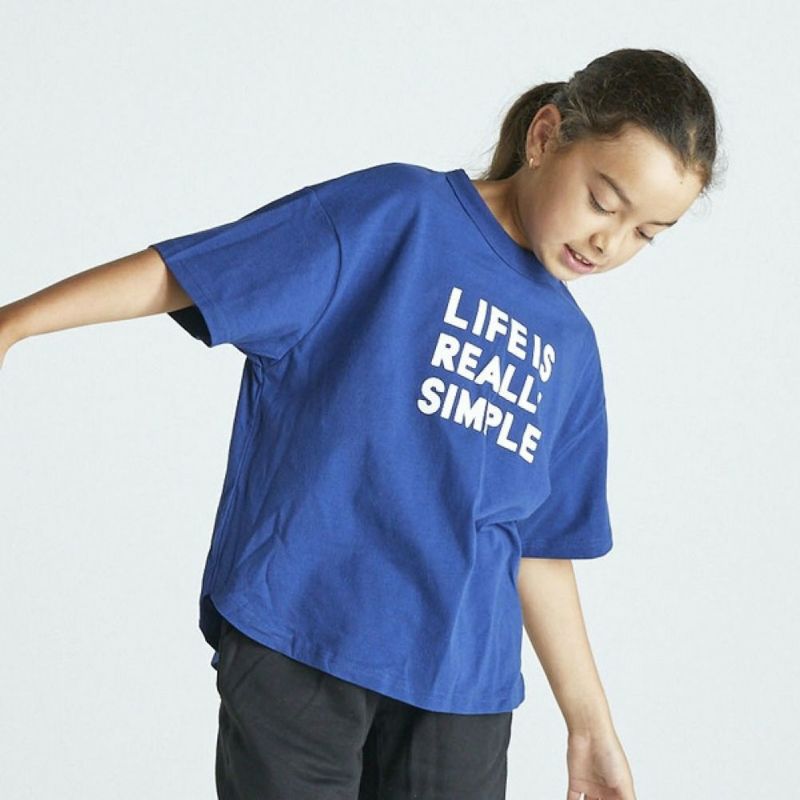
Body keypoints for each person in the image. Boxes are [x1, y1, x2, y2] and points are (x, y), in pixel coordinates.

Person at [0, 47, 722, 800]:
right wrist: (14, 324)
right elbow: (202, 271)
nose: (610, 242)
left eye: (646, 233)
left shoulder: (571, 347)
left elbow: (535, 545)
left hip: (461, 695)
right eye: (603, 200)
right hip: (304, 642)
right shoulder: (398, 215)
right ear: (545, 137)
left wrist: (590, 727)